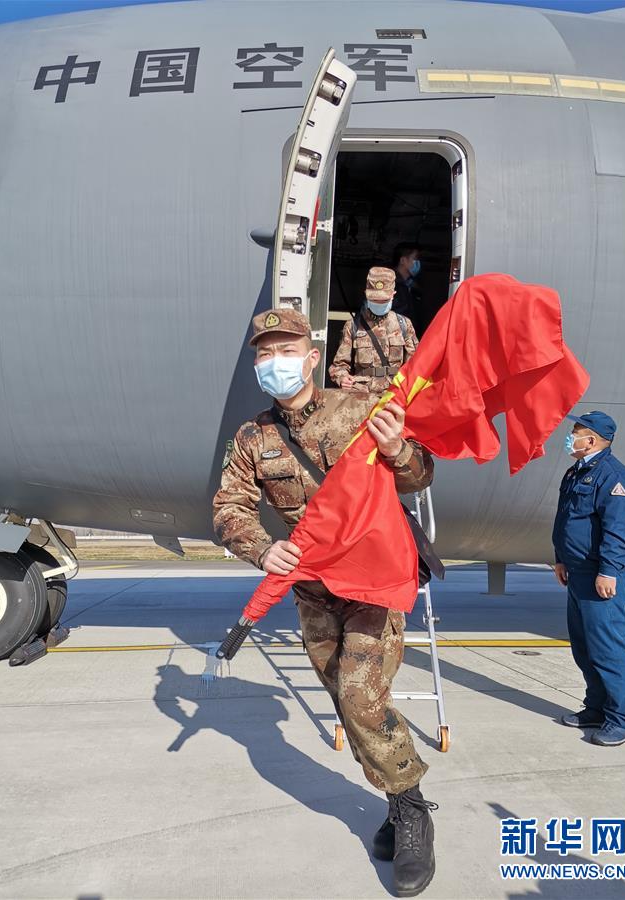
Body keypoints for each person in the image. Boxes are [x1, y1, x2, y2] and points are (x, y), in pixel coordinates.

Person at [213, 308, 437, 897]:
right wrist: (263, 550)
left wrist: (398, 452)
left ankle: (413, 810)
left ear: (312, 357)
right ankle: (394, 798)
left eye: (285, 349)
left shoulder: (360, 410)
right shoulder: (253, 438)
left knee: (363, 694)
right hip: (314, 590)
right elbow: (228, 510)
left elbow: (420, 475)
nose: (273, 362)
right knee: (345, 699)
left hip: (373, 580)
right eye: (263, 354)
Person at [552, 411, 625, 747]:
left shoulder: (615, 478)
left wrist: (608, 570)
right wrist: (560, 559)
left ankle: (622, 721)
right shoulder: (577, 472)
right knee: (585, 648)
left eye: (575, 432)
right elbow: (567, 520)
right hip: (577, 574)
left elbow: (617, 530)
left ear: (591, 440)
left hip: (600, 576)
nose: (569, 437)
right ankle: (596, 709)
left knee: (609, 650)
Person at [328, 267, 418, 395]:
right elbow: (339, 366)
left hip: (394, 393)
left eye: (384, 300)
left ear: (393, 294)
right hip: (361, 394)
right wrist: (342, 378)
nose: (379, 303)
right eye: (375, 300)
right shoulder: (353, 325)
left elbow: (415, 364)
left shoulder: (404, 324)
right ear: (366, 294)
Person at [392, 242, 422, 327]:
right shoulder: (392, 285)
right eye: (415, 258)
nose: (418, 262)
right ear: (403, 261)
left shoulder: (409, 285)